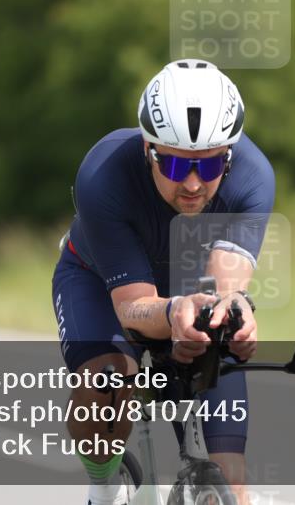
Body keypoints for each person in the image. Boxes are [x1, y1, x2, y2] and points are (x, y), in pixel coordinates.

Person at [51, 59, 275, 505]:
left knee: (232, 484)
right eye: (174, 166)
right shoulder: (103, 174)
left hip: (193, 290)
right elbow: (133, 306)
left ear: (229, 156)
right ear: (148, 149)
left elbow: (227, 281)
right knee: (108, 379)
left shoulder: (254, 177)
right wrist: (174, 312)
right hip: (99, 282)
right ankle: (103, 488)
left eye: (209, 168)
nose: (192, 184)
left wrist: (237, 311)